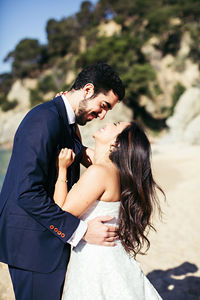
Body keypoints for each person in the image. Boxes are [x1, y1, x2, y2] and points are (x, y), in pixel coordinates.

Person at [0, 62, 125, 300]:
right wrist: (81, 231)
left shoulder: (63, 120)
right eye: (103, 106)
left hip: (45, 240)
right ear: (87, 90)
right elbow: (26, 193)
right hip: (32, 245)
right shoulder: (44, 120)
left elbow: (74, 151)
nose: (102, 116)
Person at [54, 121, 163, 300]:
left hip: (96, 261)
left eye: (115, 124)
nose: (107, 123)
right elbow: (82, 150)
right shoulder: (115, 170)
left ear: (116, 143)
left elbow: (61, 213)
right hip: (110, 257)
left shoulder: (99, 172)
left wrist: (62, 170)